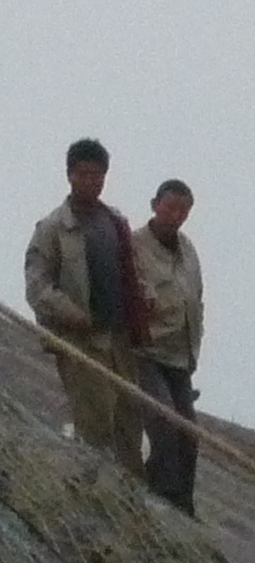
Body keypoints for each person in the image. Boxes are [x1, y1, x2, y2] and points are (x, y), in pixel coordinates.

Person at [24, 138, 149, 471]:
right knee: (94, 425)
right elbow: (38, 288)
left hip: (119, 339)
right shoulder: (53, 228)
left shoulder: (115, 222)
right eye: (84, 174)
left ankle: (132, 498)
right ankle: (95, 490)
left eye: (98, 175)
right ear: (70, 175)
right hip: (81, 341)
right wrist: (75, 315)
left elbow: (131, 273)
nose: (92, 181)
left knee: (129, 423)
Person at [132, 178, 203, 512]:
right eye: (170, 207)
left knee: (190, 435)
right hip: (147, 353)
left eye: (183, 210)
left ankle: (183, 504)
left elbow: (196, 300)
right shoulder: (133, 246)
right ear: (154, 204)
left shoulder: (188, 250)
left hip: (180, 357)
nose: (176, 215)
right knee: (163, 424)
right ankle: (162, 498)